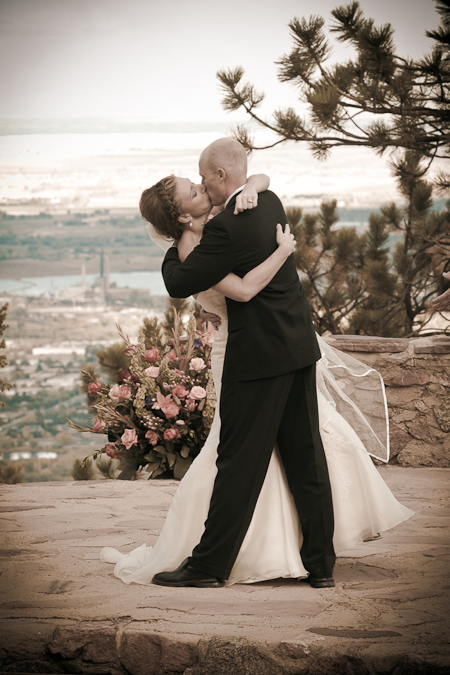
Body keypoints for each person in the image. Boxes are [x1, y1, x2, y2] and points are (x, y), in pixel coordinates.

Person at [100, 154, 413, 588]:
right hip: (295, 348)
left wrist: (247, 192)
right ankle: (321, 566)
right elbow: (251, 200)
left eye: (202, 180)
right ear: (181, 214)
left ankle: (209, 566)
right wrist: (275, 231)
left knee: (238, 462)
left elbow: (197, 284)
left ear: (222, 177)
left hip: (257, 360)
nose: (200, 185)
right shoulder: (266, 202)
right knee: (307, 458)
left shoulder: (224, 227)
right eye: (193, 188)